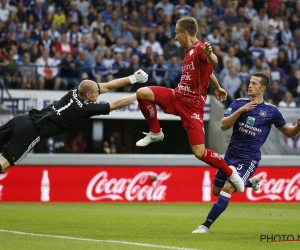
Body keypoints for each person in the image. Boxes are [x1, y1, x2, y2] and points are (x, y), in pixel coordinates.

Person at [135, 17, 244, 192]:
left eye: (177, 34)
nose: (175, 38)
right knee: (142, 93)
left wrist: (210, 54)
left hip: (193, 106)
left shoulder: (201, 48)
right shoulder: (188, 51)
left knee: (199, 152)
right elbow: (208, 71)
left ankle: (230, 172)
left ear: (185, 33)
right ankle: (156, 132)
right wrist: (217, 86)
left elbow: (213, 61)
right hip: (177, 95)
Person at [192, 72, 300, 233]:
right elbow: (223, 126)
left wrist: (298, 126)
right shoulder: (238, 103)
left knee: (228, 188)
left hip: (248, 158)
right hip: (230, 156)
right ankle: (251, 183)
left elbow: (288, 132)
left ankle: (204, 226)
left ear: (263, 88)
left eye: (255, 83)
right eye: (250, 82)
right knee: (216, 191)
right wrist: (241, 111)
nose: (250, 85)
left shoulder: (272, 111)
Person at [0, 69, 148, 174]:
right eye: (96, 93)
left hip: (23, 119)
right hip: (31, 131)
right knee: (4, 165)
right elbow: (115, 105)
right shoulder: (82, 110)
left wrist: (132, 78)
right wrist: (138, 94)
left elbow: (107, 85)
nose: (99, 93)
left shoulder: (74, 91)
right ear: (88, 94)